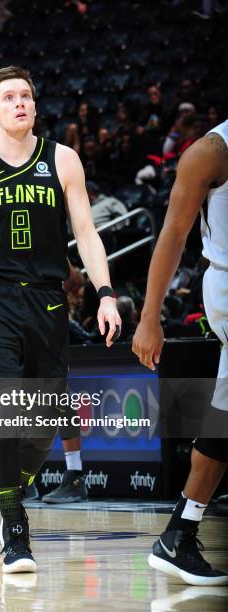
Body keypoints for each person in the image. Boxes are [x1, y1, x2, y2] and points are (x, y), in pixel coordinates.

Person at [0, 66, 121, 574]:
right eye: (8, 97)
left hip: (49, 301)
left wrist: (105, 293)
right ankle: (15, 528)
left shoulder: (63, 158)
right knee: (6, 400)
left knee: (47, 416)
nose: (19, 103)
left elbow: (87, 232)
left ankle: (13, 484)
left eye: (26, 96)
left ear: (35, 105)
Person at [132, 117, 228, 585]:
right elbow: (172, 234)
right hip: (227, 284)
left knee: (225, 417)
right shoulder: (211, 150)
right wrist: (150, 317)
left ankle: (180, 534)